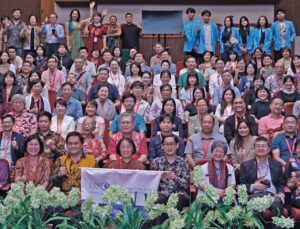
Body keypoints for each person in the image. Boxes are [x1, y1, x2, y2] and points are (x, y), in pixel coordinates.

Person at [239, 136, 285, 226]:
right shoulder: (246, 165)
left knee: (278, 204)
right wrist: (253, 186)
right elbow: (241, 186)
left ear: (268, 149)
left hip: (272, 196)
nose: (261, 148)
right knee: (255, 207)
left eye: (263, 146)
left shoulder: (277, 164)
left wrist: (281, 193)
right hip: (255, 196)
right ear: (254, 149)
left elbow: (280, 184)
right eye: (258, 146)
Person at [151, 134, 190, 225]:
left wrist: (175, 178)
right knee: (157, 199)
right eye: (166, 144)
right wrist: (159, 178)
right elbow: (151, 184)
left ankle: (176, 226)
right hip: (162, 193)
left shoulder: (183, 162)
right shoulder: (156, 162)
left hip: (179, 194)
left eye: (172, 144)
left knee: (176, 199)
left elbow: (186, 184)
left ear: (177, 145)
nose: (169, 147)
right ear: (162, 146)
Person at [285, 139, 300, 209]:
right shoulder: (292, 164)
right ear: (296, 150)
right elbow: (288, 185)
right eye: (299, 148)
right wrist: (292, 182)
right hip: (298, 195)